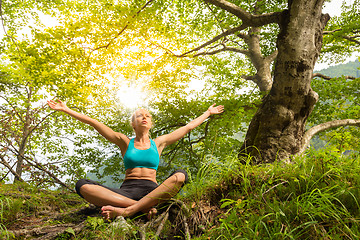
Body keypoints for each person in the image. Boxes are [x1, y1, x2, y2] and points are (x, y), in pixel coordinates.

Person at [47, 99, 224, 219]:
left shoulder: (159, 143)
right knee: (82, 185)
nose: (144, 117)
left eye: (147, 115)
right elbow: (95, 123)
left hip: (153, 190)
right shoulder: (124, 141)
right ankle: (144, 208)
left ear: (151, 122)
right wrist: (66, 109)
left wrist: (208, 112)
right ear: (133, 123)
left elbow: (188, 127)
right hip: (126, 192)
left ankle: (129, 211)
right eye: (140, 115)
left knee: (180, 176)